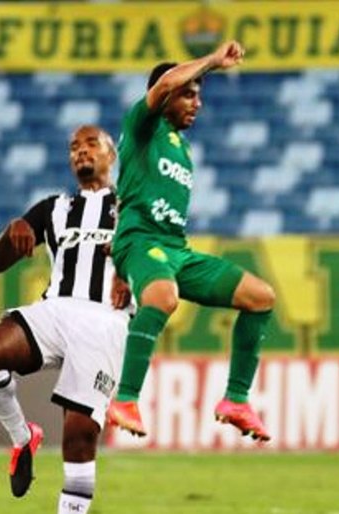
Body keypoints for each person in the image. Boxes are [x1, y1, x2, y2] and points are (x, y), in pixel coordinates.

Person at [106, 40, 276, 441]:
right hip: (142, 241)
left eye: (199, 96)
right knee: (163, 298)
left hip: (175, 250)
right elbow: (165, 82)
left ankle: (236, 399)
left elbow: (125, 195)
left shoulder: (182, 148)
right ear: (164, 97)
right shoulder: (141, 127)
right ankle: (125, 398)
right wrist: (213, 62)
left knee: (261, 296)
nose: (197, 104)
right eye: (188, 94)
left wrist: (118, 272)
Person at [0, 125, 131, 514]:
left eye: (91, 144)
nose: (81, 151)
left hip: (105, 320)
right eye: (74, 146)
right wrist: (12, 233)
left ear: (111, 155)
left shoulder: (134, 206)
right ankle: (22, 437)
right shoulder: (53, 208)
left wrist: (132, 272)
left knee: (78, 437)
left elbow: (163, 254)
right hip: (56, 310)